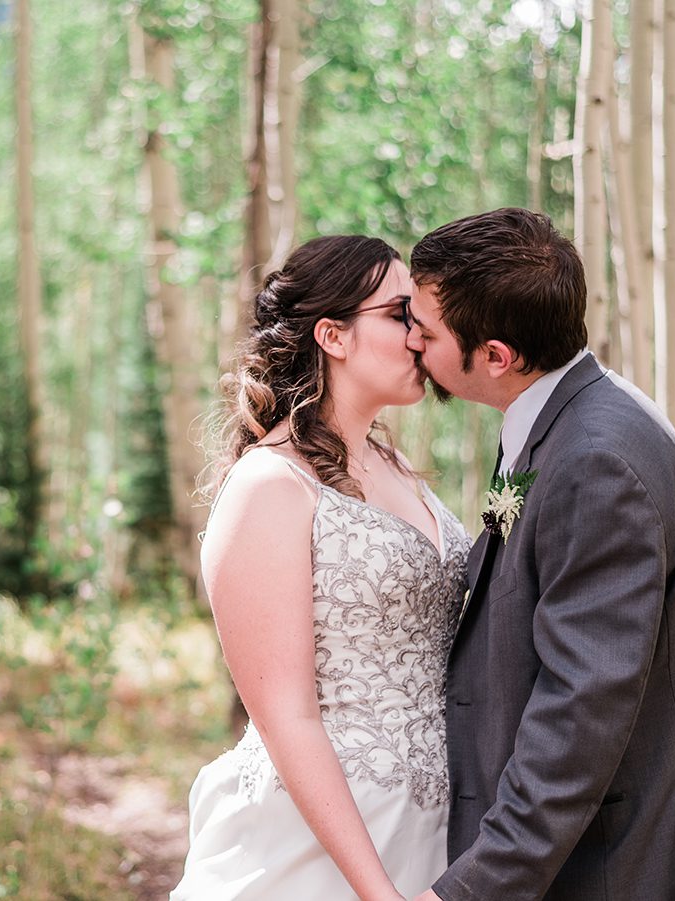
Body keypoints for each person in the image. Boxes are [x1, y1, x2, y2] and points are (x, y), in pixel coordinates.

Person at [405, 208, 675, 901]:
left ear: (496, 355)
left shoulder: (596, 461)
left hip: (631, 861)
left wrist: (474, 887)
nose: (413, 344)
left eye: (426, 332)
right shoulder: (557, 420)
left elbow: (581, 712)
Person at [171, 235, 468, 900]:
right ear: (333, 334)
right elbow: (286, 715)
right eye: (400, 315)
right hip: (321, 846)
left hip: (435, 829)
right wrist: (378, 892)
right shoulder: (268, 487)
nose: (420, 336)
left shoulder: (395, 469)